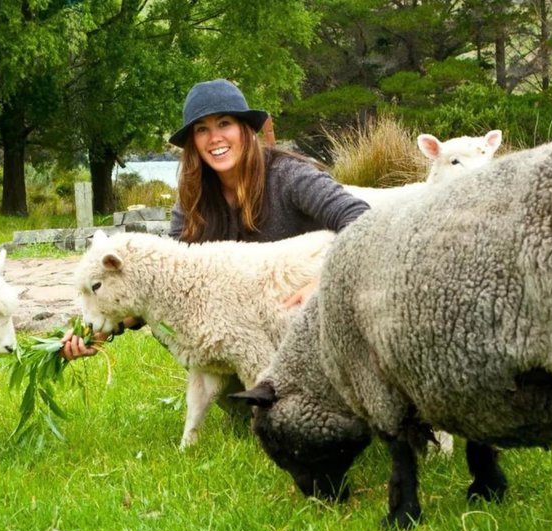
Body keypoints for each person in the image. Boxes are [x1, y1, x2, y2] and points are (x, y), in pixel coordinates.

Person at [61, 78, 370, 360]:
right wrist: (103, 327)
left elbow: (363, 221)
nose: (214, 138)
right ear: (193, 141)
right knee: (168, 321)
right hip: (246, 337)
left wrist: (324, 284)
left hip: (312, 321)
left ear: (244, 130)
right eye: (202, 129)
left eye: (224, 123)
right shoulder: (193, 201)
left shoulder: (291, 177)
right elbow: (164, 286)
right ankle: (246, 396)